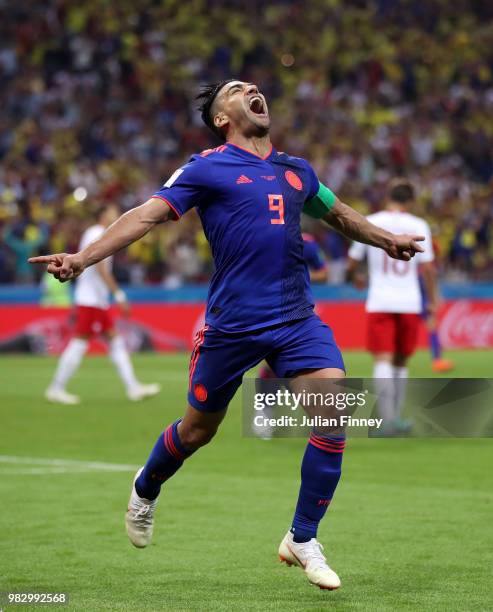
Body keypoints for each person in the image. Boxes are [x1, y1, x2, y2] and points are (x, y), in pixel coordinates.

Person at [30, 80, 425, 590]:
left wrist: (386, 237)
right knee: (198, 431)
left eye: (254, 87)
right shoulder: (206, 166)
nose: (253, 90)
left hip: (296, 320)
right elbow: (147, 215)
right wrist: (84, 258)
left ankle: (302, 538)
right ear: (223, 118)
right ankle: (146, 486)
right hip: (232, 326)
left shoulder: (296, 169)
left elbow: (340, 214)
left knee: (332, 414)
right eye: (239, 90)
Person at [44, 205, 161, 405]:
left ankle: (133, 387)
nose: (116, 215)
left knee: (115, 342)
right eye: (112, 211)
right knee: (79, 343)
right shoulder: (98, 232)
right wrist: (119, 295)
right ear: (103, 214)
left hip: (96, 300)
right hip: (91, 300)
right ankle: (56, 388)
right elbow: (101, 270)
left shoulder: (96, 232)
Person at [347, 179, 437, 434]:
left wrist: (357, 278)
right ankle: (396, 418)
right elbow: (428, 268)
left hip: (380, 299)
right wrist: (432, 299)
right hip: (409, 300)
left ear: (389, 196)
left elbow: (352, 261)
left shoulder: (372, 221)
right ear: (410, 201)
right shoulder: (419, 225)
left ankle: (386, 421)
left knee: (382, 359)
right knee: (400, 362)